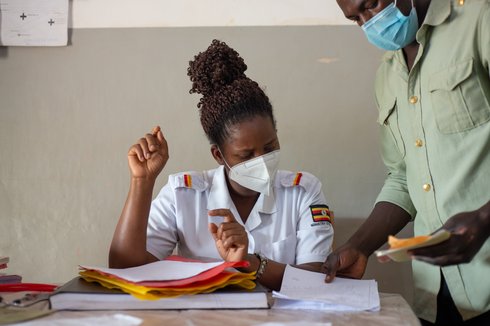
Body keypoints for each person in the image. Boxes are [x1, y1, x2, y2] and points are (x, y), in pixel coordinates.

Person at [109, 39, 334, 291]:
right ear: (218, 155)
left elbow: (315, 281)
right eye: (246, 155)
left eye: (270, 147)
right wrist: (142, 181)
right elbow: (124, 268)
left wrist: (248, 262)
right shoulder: (183, 194)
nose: (262, 160)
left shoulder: (303, 192)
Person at [323, 0, 490, 325]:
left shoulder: (478, 20)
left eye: (370, 5)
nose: (369, 22)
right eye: (355, 19)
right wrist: (360, 247)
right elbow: (403, 177)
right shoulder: (387, 76)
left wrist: (484, 219)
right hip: (438, 291)